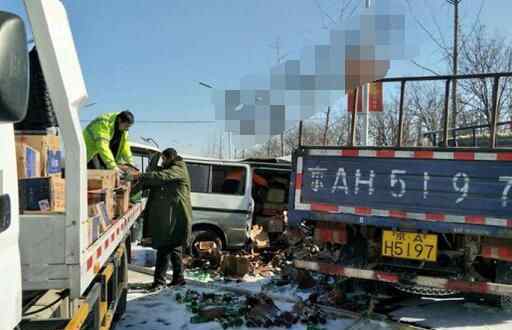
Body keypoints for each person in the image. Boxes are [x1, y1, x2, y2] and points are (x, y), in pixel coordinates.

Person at [133, 148, 192, 291]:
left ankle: (159, 282)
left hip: (176, 215)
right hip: (174, 215)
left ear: (169, 158)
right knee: (174, 248)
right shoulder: (173, 167)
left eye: (163, 159)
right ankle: (179, 279)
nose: (163, 162)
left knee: (164, 247)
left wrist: (140, 175)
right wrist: (152, 162)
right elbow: (157, 176)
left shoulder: (178, 168)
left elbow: (163, 176)